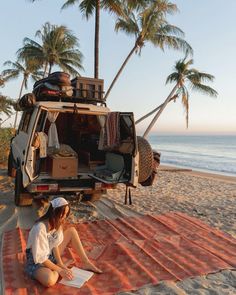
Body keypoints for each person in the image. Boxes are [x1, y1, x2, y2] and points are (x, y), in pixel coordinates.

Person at [25, 197, 102, 287]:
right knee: (49, 280)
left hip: (50, 255)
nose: (64, 217)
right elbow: (41, 258)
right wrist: (60, 270)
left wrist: (60, 263)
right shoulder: (40, 228)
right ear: (54, 212)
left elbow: (55, 245)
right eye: (63, 214)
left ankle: (86, 262)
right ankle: (54, 270)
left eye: (66, 214)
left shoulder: (57, 223)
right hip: (38, 261)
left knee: (72, 231)